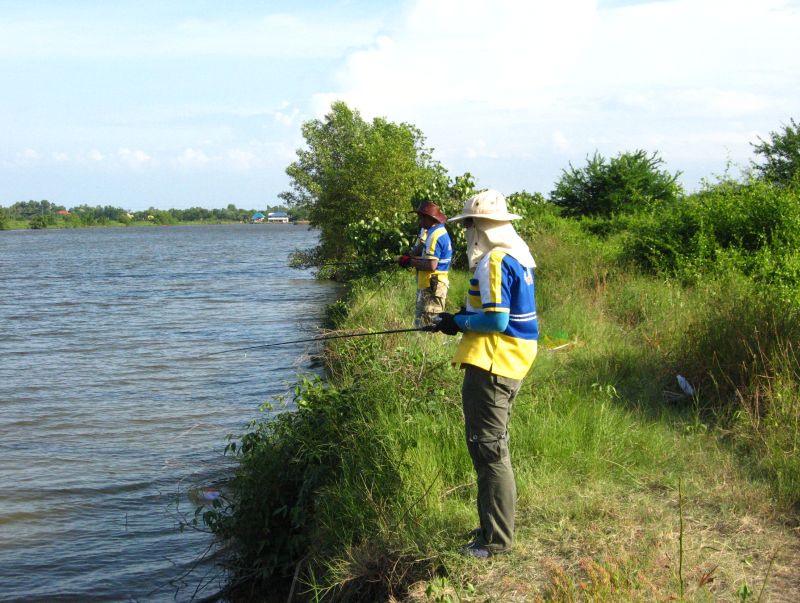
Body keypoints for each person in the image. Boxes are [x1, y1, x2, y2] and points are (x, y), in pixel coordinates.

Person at [433, 189, 538, 559]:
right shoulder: (519, 256)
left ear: (481, 227)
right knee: (493, 447)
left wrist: (456, 322)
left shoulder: (494, 260)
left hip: (493, 365)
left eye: (472, 225)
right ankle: (492, 528)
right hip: (511, 361)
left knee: (489, 450)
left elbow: (496, 319)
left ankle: (495, 542)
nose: (469, 233)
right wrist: (456, 320)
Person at [398, 201, 453, 328]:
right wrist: (409, 255)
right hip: (429, 285)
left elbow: (431, 265)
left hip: (432, 286)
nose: (420, 222)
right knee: (422, 323)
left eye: (422, 218)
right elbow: (423, 246)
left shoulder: (435, 236)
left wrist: (410, 262)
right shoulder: (435, 232)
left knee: (428, 324)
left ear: (430, 218)